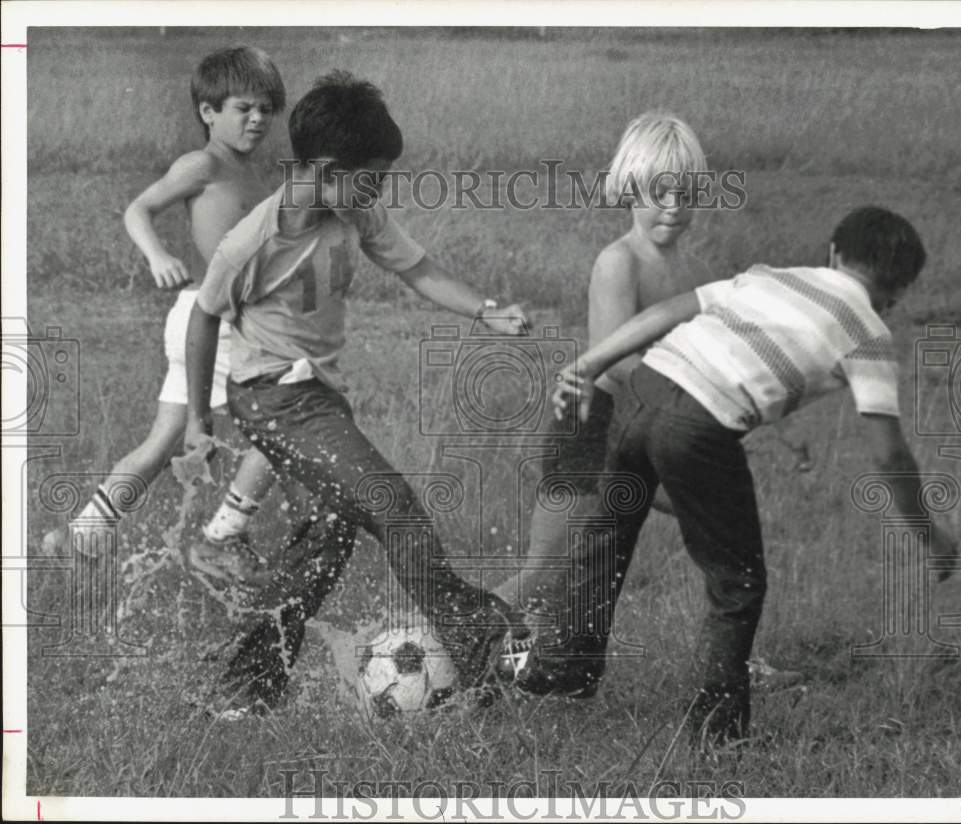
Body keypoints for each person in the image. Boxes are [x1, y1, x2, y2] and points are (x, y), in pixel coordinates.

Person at [542, 205, 957, 745]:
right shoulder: (870, 334)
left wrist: (589, 362)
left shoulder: (769, 276)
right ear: (900, 291)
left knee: (605, 539)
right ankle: (716, 736)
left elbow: (671, 309)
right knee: (736, 582)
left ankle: (560, 675)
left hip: (644, 387)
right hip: (696, 429)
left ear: (832, 252)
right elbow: (889, 454)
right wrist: (929, 532)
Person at [185, 70, 530, 716]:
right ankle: (482, 640)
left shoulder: (354, 208)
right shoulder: (253, 241)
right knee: (389, 503)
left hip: (316, 398)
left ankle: (242, 690)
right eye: (371, 178)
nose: (379, 192)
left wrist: (485, 310)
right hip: (270, 398)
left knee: (327, 535)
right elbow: (205, 317)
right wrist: (196, 421)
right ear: (322, 168)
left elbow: (418, 268)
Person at [494, 110, 712, 696]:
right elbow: (618, 360)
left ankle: (728, 656)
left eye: (684, 191)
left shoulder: (690, 269)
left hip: (649, 429)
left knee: (714, 532)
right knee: (547, 570)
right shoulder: (621, 261)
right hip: (593, 427)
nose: (671, 204)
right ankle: (449, 638)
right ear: (628, 189)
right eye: (656, 191)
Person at [59, 47, 286, 579]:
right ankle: (223, 537)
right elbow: (139, 209)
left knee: (161, 444)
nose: (257, 119)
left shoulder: (253, 172)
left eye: (266, 109)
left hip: (208, 320)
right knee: (286, 428)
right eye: (243, 108)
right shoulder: (202, 164)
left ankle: (80, 535)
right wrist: (159, 255)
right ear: (208, 112)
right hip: (214, 323)